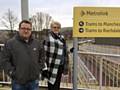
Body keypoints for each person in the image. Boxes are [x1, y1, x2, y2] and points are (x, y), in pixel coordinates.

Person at [0, 20, 45, 90]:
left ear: (31, 30)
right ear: (19, 29)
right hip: (18, 82)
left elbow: (42, 57)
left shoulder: (37, 43)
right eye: (23, 28)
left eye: (28, 29)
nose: (26, 31)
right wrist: (12, 73)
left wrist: (38, 69)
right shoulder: (10, 43)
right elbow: (4, 60)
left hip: (34, 81)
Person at [43, 21, 69, 90]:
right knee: (52, 86)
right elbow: (43, 55)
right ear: (51, 28)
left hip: (60, 66)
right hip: (52, 66)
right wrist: (44, 68)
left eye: (58, 27)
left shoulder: (62, 38)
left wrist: (70, 50)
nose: (56, 29)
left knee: (57, 85)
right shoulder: (48, 39)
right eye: (54, 27)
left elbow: (63, 51)